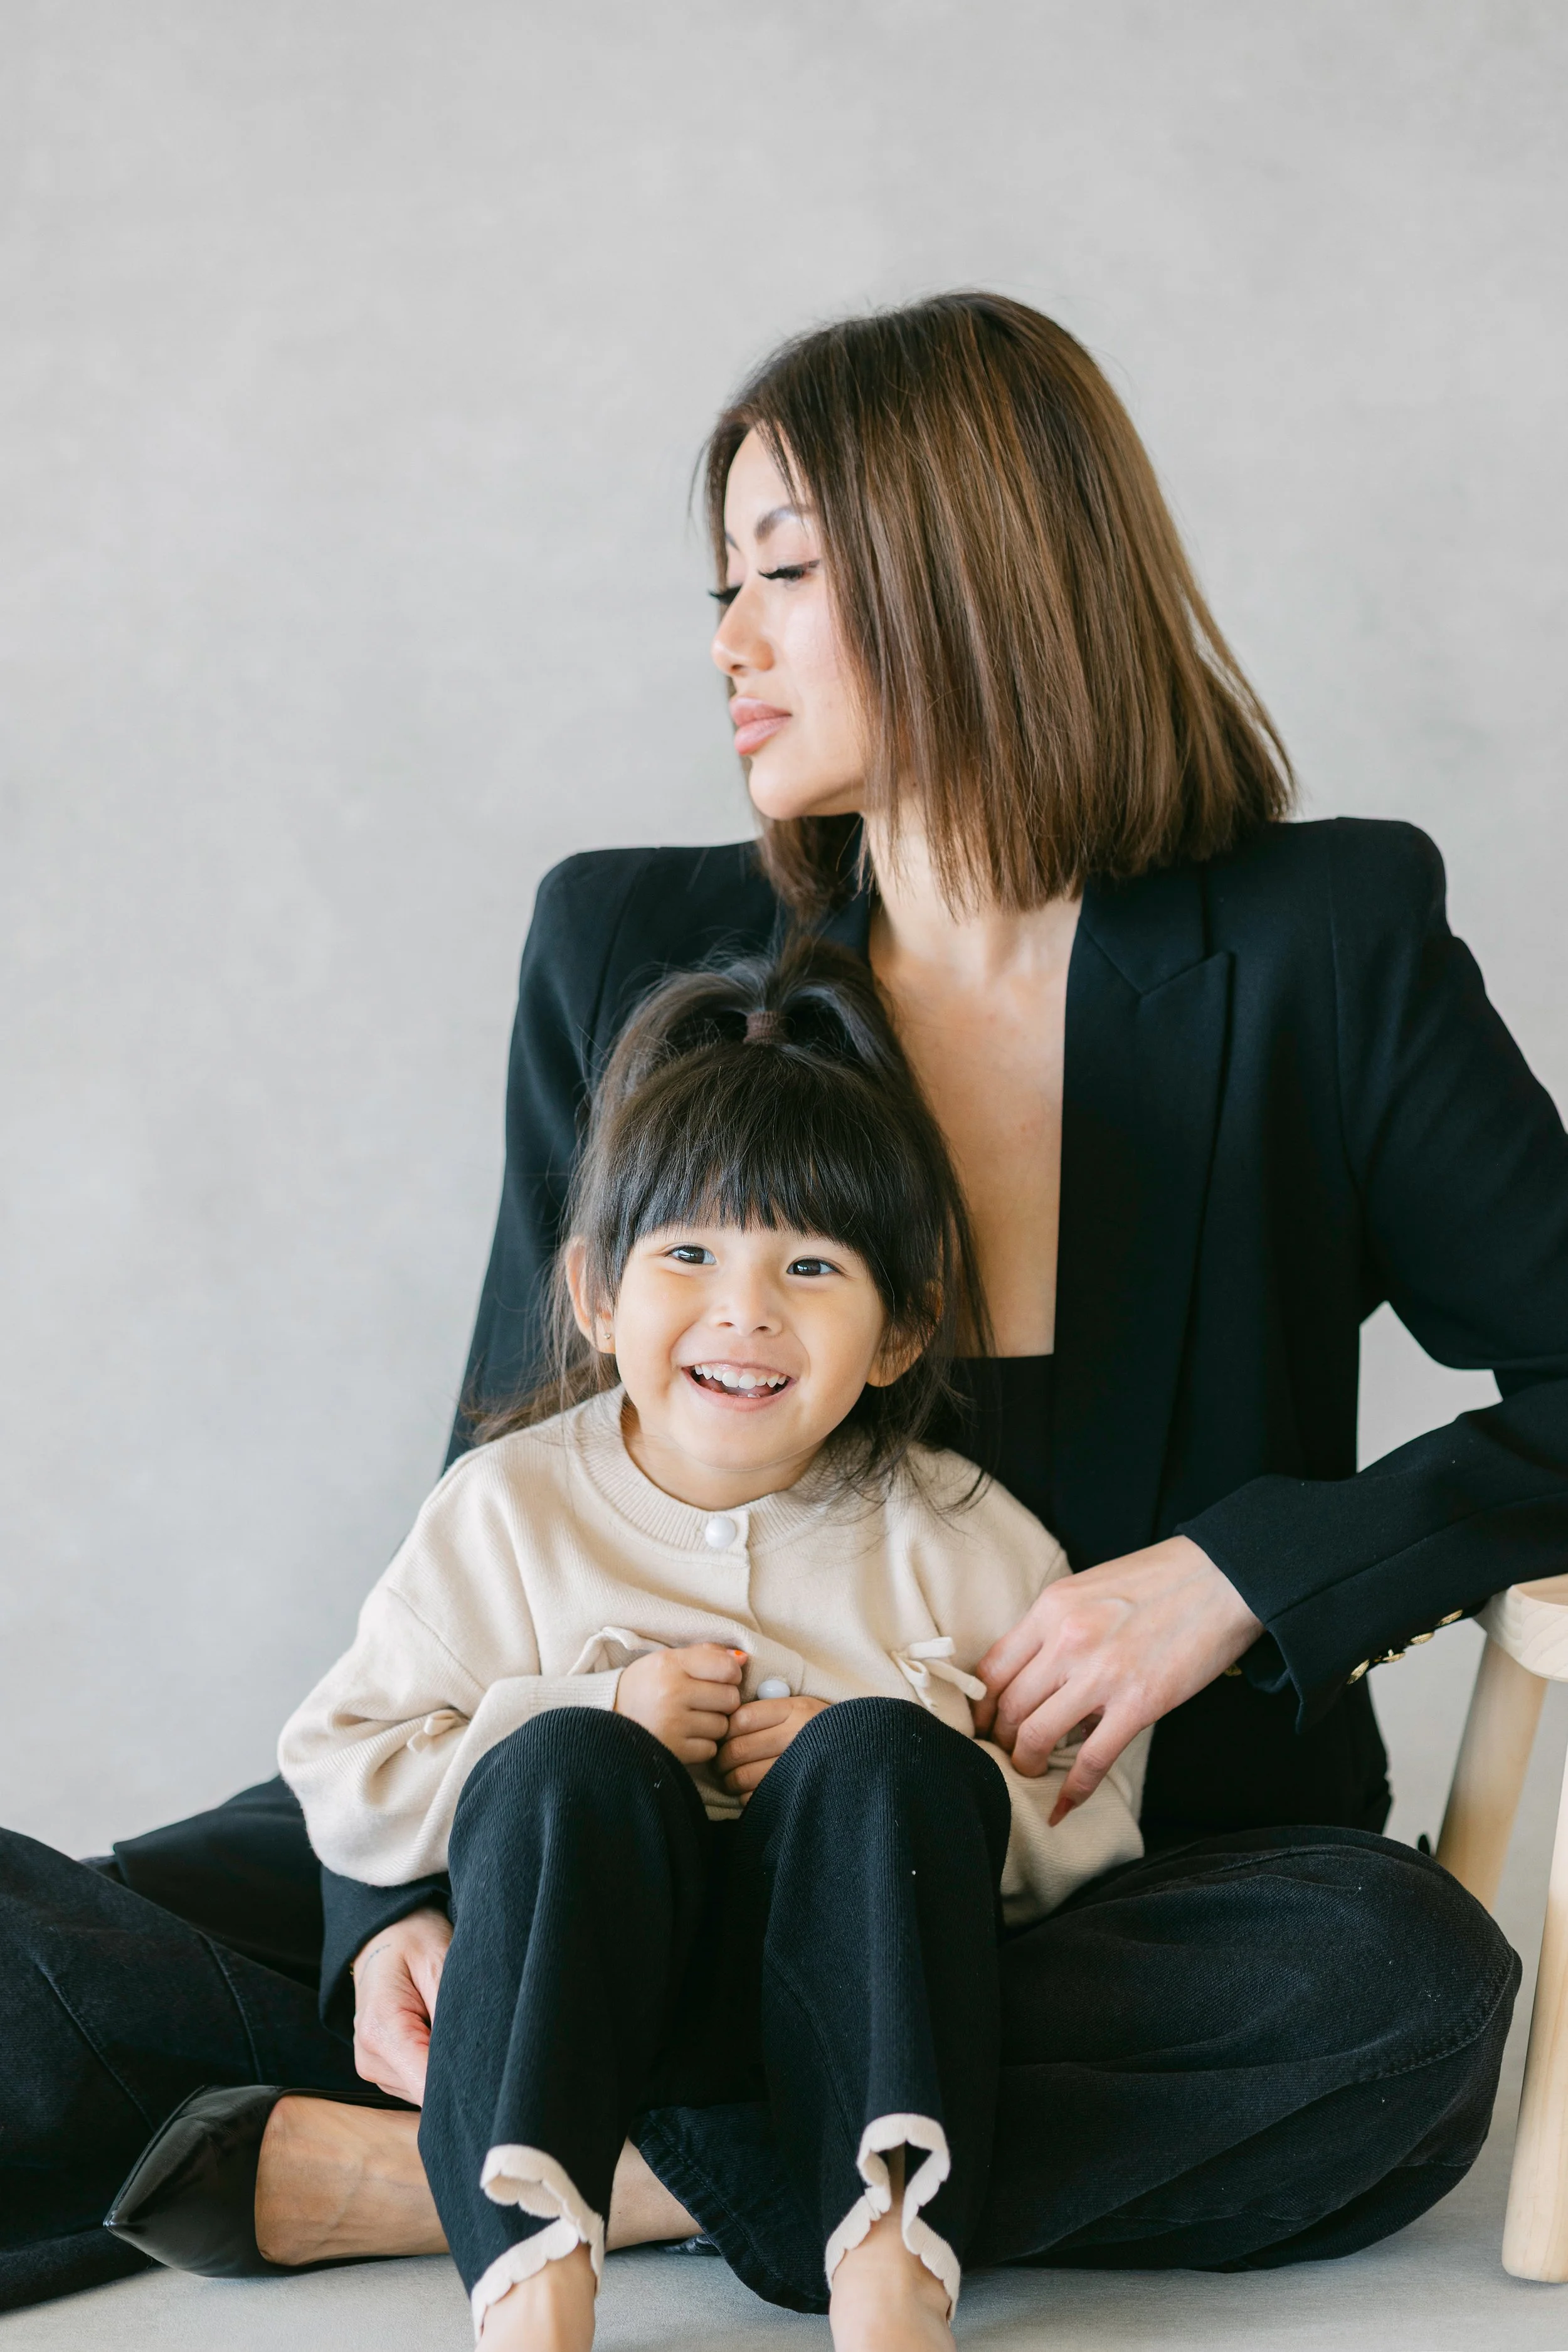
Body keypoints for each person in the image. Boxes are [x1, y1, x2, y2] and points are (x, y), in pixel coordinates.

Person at [3, 290, 1561, 2314]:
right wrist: (393, 1901)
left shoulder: (1319, 946)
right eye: (722, 583)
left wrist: (1234, 1578)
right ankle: (716, 2120)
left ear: (974, 569)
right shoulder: (630, 943)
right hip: (606, 1825)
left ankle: (482, 2177)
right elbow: (508, 1451)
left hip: (1071, 1883)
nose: (726, 642)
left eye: (788, 575)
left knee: (1403, 2002)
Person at [238, 945, 1145, 2345]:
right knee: (565, 1768)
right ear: (599, 1295)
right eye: (686, 1255)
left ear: (900, 1332)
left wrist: (899, 1755)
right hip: (596, 1998)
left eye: (810, 1265)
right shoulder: (506, 1511)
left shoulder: (964, 1536)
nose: (744, 1309)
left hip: (860, 2010)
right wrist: (590, 1707)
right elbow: (342, 1767)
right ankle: (534, 2286)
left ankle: (890, 2276)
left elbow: (1093, 1815)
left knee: (887, 1757)